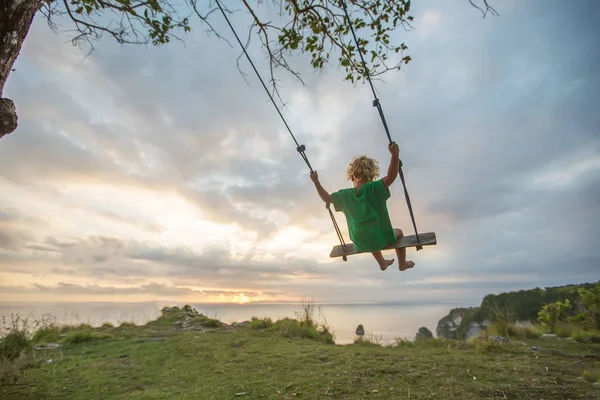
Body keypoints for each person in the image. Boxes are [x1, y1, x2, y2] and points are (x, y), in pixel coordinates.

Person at [309, 142, 415, 272]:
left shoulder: (345, 195)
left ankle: (382, 262)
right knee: (398, 232)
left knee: (368, 233)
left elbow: (326, 198)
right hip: (378, 239)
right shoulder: (374, 188)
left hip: (360, 242)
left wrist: (316, 181)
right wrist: (395, 155)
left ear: (352, 176)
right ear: (371, 175)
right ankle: (402, 263)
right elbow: (391, 177)